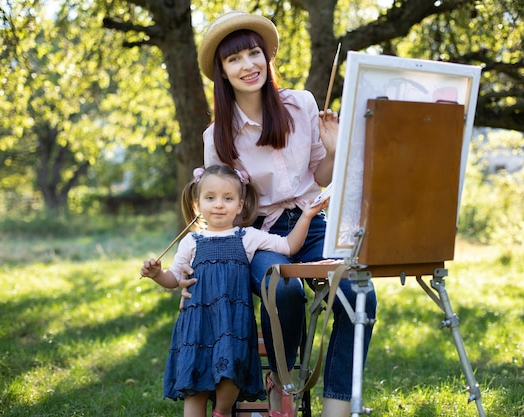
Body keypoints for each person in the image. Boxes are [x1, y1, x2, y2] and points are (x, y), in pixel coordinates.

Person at [181, 11, 377, 417]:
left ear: (266, 57)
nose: (247, 65)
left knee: (358, 294)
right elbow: (221, 211)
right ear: (221, 70)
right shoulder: (216, 136)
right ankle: (282, 382)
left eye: (254, 53)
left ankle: (337, 407)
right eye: (234, 59)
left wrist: (335, 146)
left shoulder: (301, 103)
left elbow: (319, 174)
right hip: (259, 235)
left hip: (313, 222)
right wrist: (195, 268)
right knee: (281, 289)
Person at [141, 164, 329, 417]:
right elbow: (174, 278)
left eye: (227, 198)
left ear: (240, 205)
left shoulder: (247, 237)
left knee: (230, 378)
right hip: (197, 324)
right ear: (197, 203)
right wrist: (156, 275)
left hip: (233, 326)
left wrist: (306, 216)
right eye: (210, 198)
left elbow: (288, 245)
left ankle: (222, 411)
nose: (219, 205)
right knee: (194, 390)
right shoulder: (191, 241)